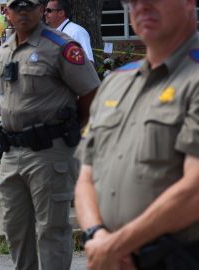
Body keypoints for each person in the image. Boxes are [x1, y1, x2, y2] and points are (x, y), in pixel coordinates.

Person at [75, 0, 199, 269]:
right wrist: (97, 236)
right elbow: (86, 176)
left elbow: (195, 191)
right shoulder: (115, 83)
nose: (141, 7)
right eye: (132, 1)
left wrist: (116, 245)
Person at [0, 0, 100, 269]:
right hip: (11, 152)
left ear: (42, 9)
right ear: (7, 12)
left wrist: (68, 128)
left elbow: (91, 94)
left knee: (51, 229)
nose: (23, 11)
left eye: (31, 4)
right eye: (17, 6)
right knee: (15, 228)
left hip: (49, 152)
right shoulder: (4, 49)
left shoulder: (61, 46)